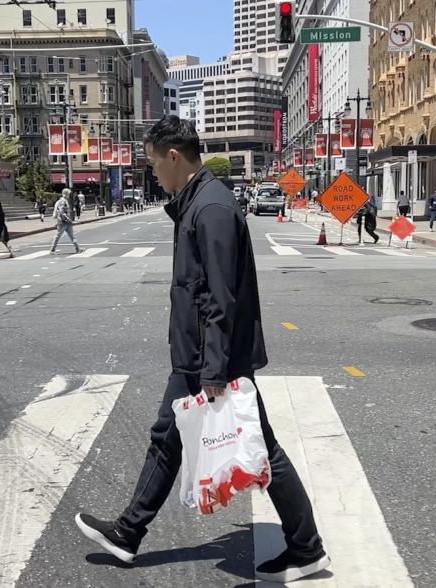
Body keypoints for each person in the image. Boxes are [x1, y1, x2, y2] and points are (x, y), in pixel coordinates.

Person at [74, 116, 330, 583]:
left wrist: (212, 370)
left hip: (210, 358)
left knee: (256, 447)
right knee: (170, 440)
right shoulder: (195, 202)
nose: (153, 173)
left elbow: (219, 296)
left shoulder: (210, 207)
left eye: (154, 164)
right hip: (200, 353)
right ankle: (129, 534)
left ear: (174, 156)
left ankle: (306, 547)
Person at [50, 189, 81, 254]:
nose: (69, 195)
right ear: (66, 194)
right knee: (61, 235)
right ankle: (52, 249)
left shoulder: (60, 201)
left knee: (62, 235)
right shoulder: (63, 201)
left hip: (62, 221)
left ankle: (78, 248)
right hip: (64, 221)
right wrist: (68, 219)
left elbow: (57, 212)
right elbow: (62, 212)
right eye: (68, 194)